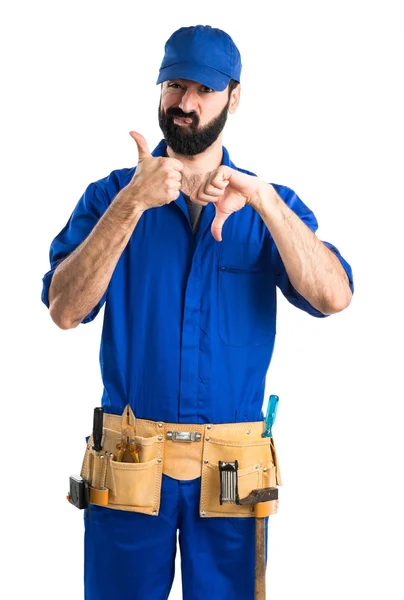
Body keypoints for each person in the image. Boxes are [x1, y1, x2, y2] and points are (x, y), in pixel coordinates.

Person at [42, 24, 354, 600]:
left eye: (204, 90)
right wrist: (133, 201)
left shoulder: (268, 206)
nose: (186, 103)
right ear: (159, 90)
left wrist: (262, 198)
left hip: (230, 476)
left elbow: (334, 297)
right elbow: (64, 309)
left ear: (234, 97)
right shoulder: (110, 196)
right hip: (129, 464)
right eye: (175, 86)